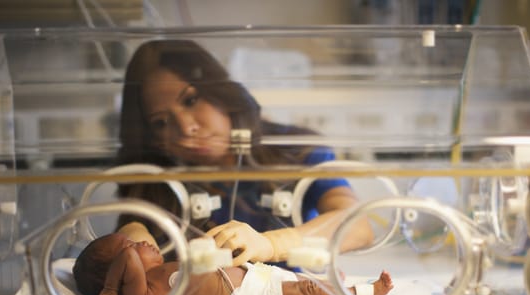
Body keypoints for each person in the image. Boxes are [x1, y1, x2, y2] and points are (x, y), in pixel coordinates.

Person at [114, 39, 374, 266]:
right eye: (161, 122)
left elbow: (358, 225)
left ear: (221, 91)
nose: (186, 128)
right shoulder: (159, 177)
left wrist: (272, 244)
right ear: (152, 137)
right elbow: (131, 229)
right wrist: (132, 234)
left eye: (191, 100)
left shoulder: (296, 149)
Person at [72, 233, 393, 295]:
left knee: (303, 284)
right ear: (116, 272)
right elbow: (129, 258)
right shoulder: (140, 294)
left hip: (254, 277)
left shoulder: (157, 273)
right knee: (306, 290)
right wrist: (112, 289)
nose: (139, 243)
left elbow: (129, 255)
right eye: (128, 246)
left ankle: (342, 286)